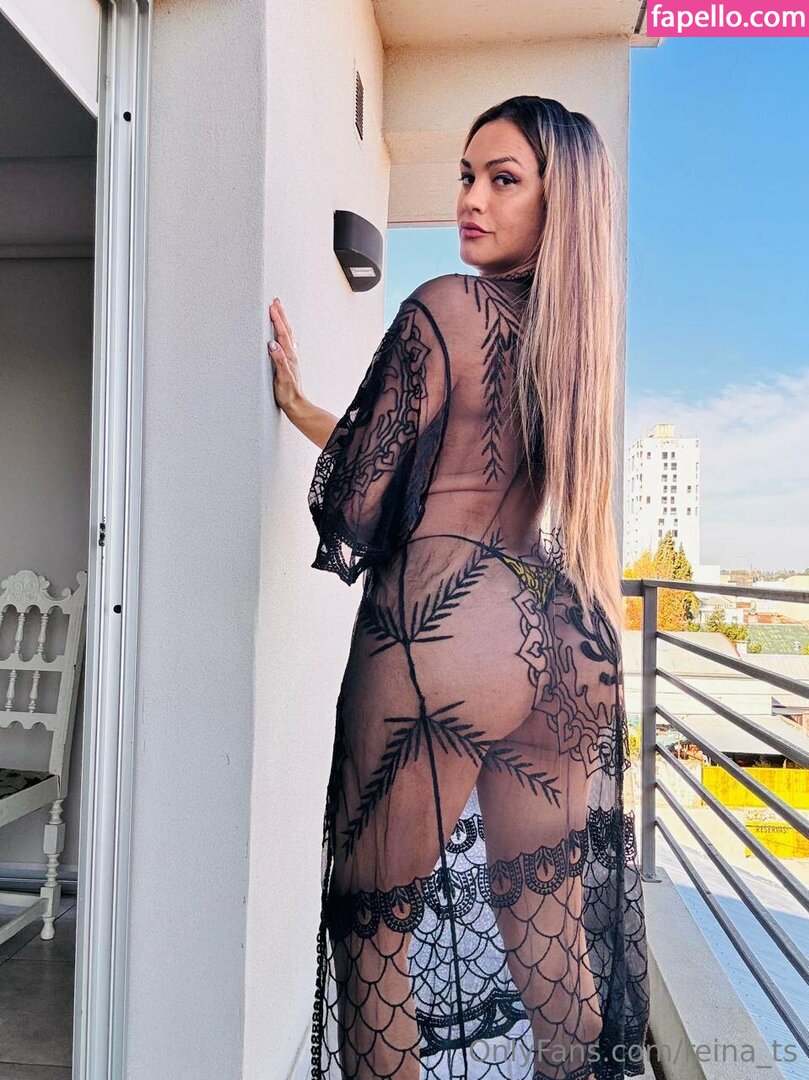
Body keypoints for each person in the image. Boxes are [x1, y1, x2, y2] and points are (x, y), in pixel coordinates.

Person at [269, 95, 650, 1080]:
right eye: (466, 176)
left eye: (502, 179)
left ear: (556, 200)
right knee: (551, 946)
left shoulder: (447, 306)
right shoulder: (573, 339)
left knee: (372, 940)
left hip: (445, 630)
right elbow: (438, 467)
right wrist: (309, 409)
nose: (470, 199)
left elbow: (364, 494)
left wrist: (310, 421)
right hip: (563, 630)